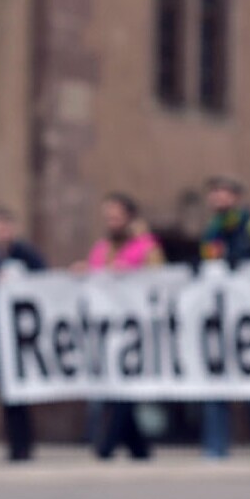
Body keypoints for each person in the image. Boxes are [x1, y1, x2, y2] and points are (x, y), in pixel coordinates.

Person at [199, 176, 250, 459]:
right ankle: (216, 447)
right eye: (214, 194)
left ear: (236, 197)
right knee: (215, 383)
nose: (218, 199)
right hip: (220, 319)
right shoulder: (212, 231)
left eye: (223, 194)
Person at [84, 192, 164, 461]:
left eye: (116, 216)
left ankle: (107, 446)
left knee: (124, 389)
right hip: (107, 329)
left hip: (136, 329)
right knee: (115, 388)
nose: (111, 221)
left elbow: (159, 280)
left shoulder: (146, 247)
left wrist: (131, 274)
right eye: (108, 216)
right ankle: (139, 448)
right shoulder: (102, 248)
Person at [0, 208, 46, 461]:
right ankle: (14, 443)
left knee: (23, 391)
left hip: (26, 336)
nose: (1, 233)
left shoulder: (26, 255)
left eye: (5, 227)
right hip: (1, 336)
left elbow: (45, 284)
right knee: (6, 392)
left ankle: (25, 442)